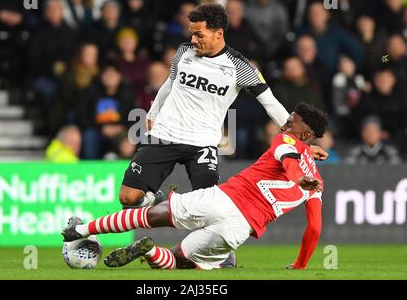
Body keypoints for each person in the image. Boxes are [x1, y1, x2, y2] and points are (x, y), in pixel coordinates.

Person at [62, 102, 327, 270]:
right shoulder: (316, 182)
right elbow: (314, 227)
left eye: (291, 122)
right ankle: (151, 251)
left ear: (303, 134)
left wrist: (297, 175)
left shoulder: (286, 141)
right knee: (179, 261)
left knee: (149, 215)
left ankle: (81, 230)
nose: (285, 123)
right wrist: (301, 265)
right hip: (239, 229)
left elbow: (289, 159)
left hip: (224, 199)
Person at [119, 3, 327, 209]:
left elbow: (270, 102)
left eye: (199, 35)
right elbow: (170, 83)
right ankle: (153, 199)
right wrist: (153, 114)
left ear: (218, 33)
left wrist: (301, 145)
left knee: (206, 209)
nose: (193, 40)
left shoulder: (239, 67)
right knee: (127, 198)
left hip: (202, 143)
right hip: (165, 134)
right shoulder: (183, 52)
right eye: (192, 34)